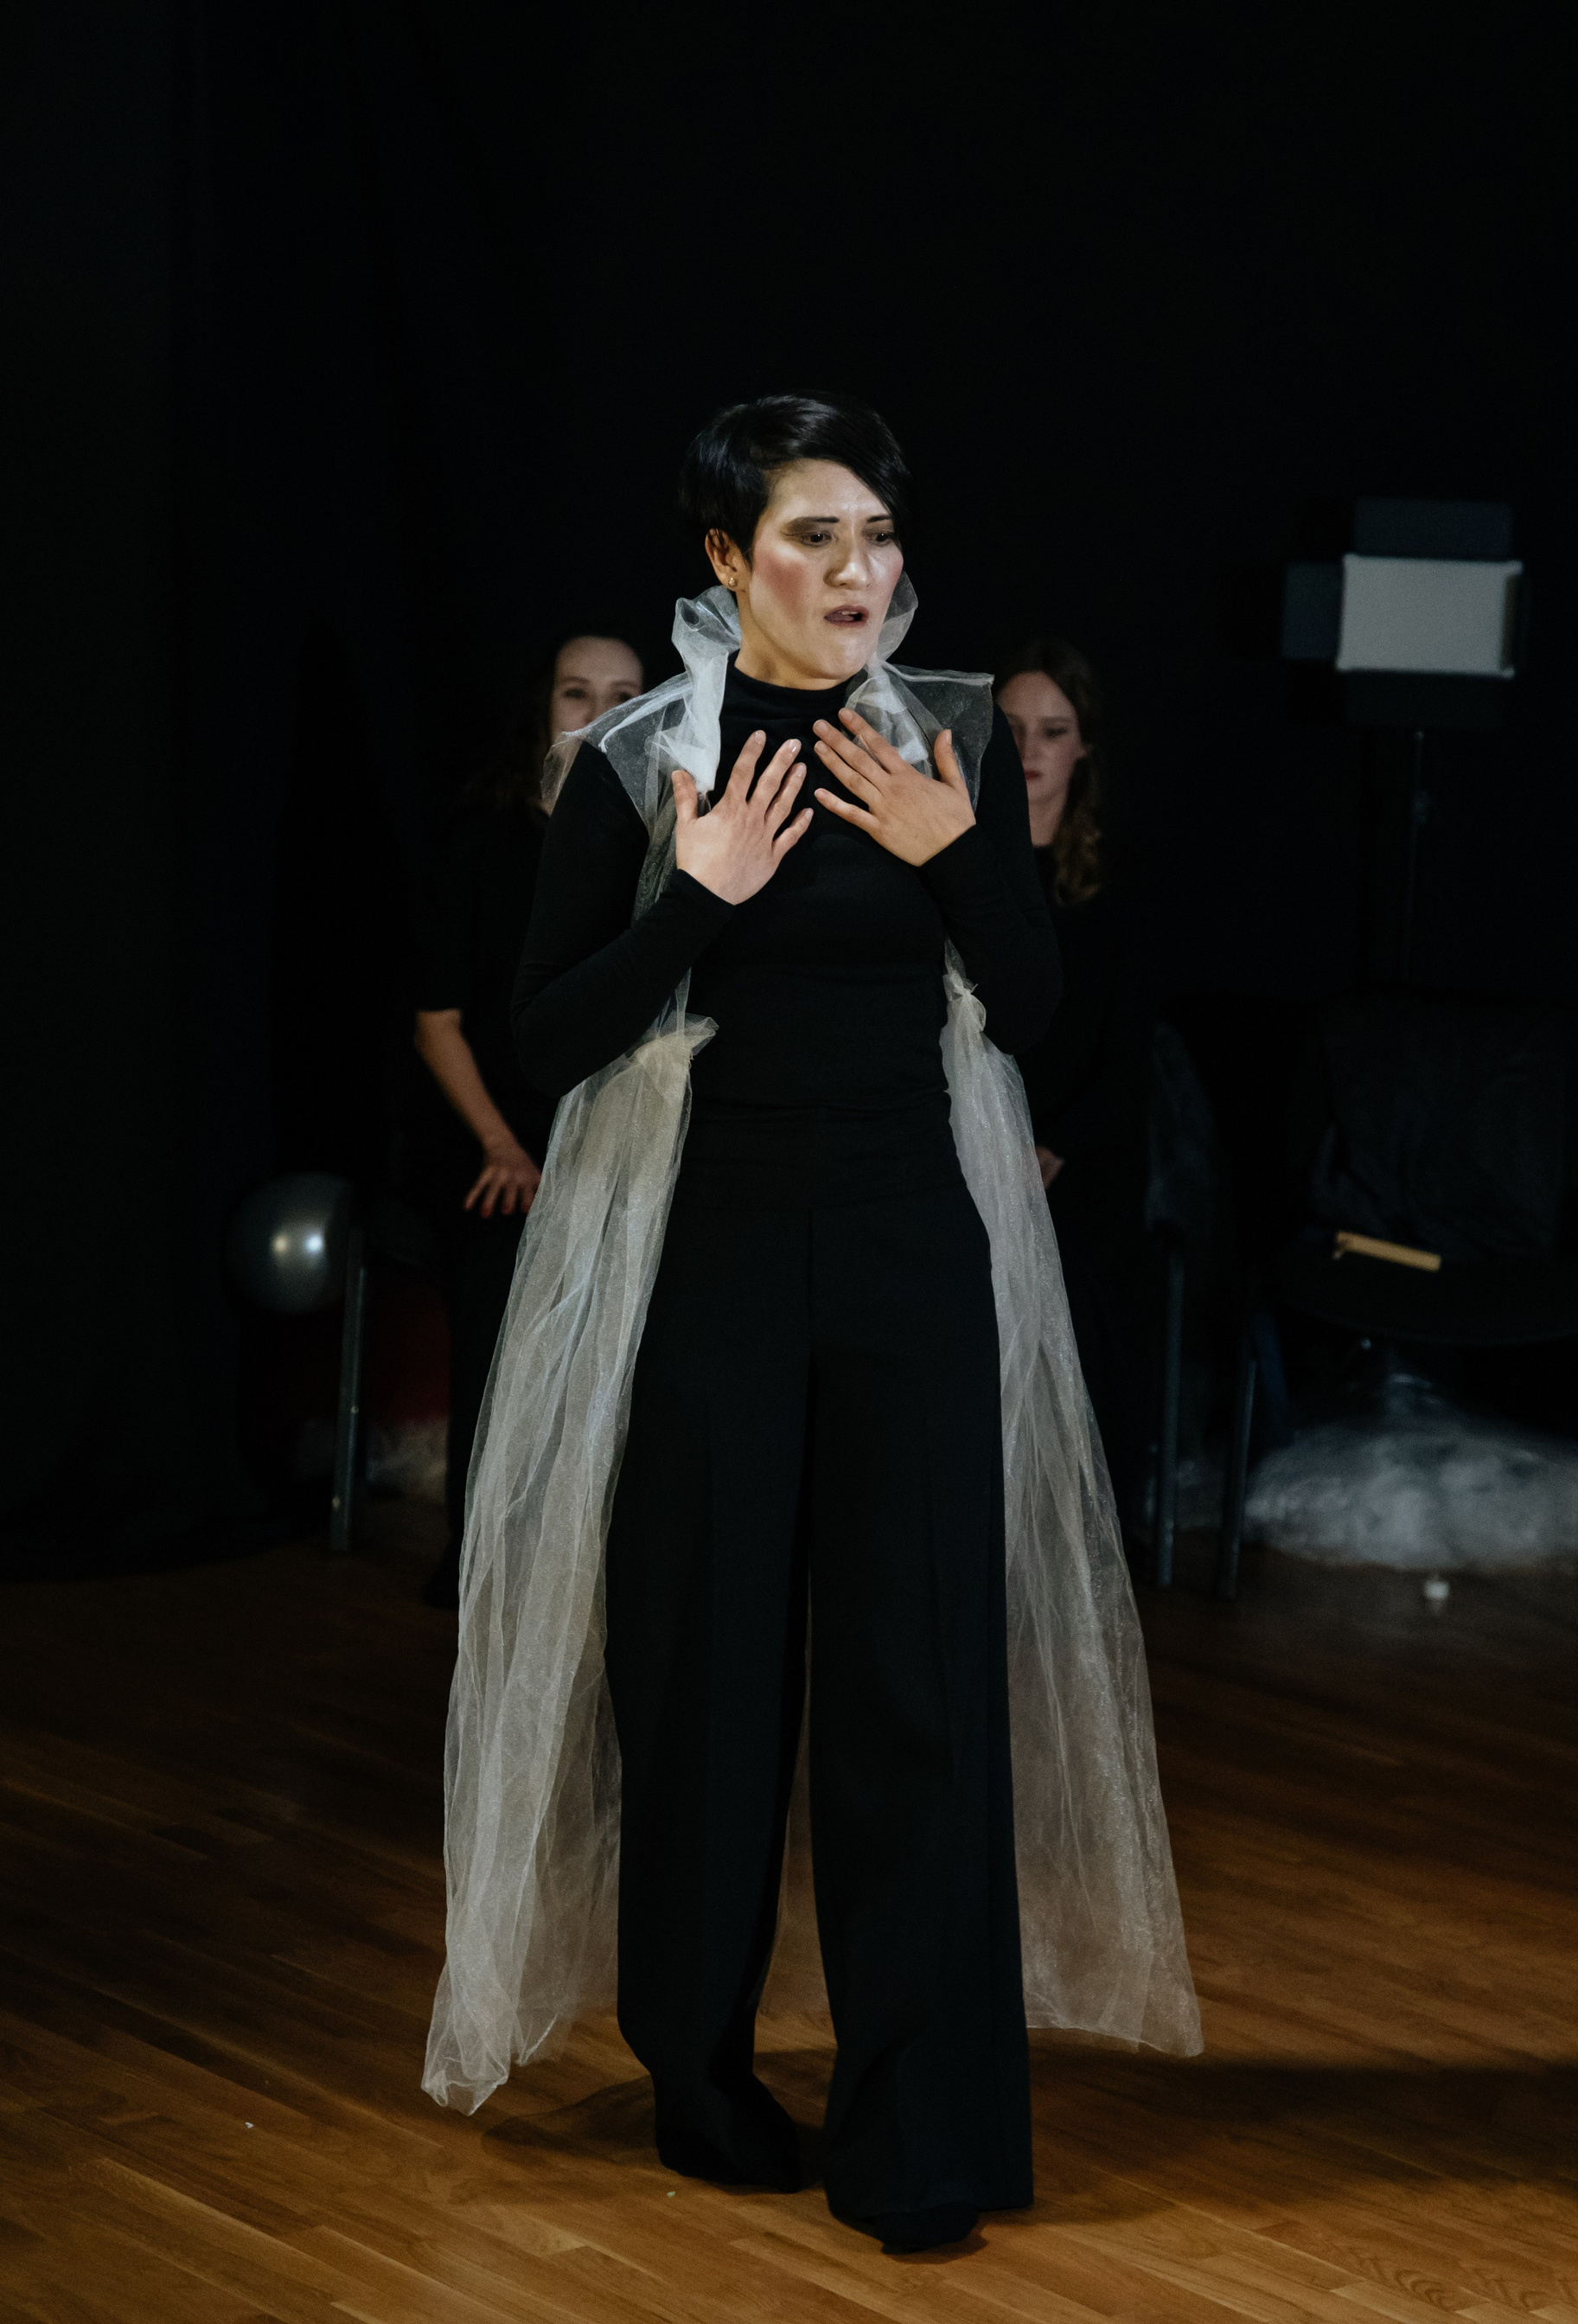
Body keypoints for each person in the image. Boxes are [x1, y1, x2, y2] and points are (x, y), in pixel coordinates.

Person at [423, 396, 1200, 2255]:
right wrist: (695, 903)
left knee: (914, 1676)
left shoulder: (939, 732)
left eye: (879, 533)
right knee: (706, 1676)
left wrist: (955, 847)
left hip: (909, 1246)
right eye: (814, 535)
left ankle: (919, 2120)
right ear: (726, 558)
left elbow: (1034, 1004)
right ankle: (701, 2083)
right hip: (713, 1251)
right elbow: (548, 1038)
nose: (861, 569)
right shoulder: (643, 760)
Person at [411, 632, 643, 1609]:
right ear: (543, 707)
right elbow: (436, 1021)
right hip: (499, 1139)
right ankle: (479, 1565)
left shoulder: (661, 832)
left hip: (619, 1139)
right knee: (500, 1345)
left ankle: (589, 1570)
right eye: (576, 693)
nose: (597, 715)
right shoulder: (482, 839)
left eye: (622, 695)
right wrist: (502, 1143)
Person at [997, 641, 1156, 1524]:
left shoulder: (1120, 882)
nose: (1031, 749)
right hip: (968, 1134)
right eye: (1014, 728)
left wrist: (1053, 1145)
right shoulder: (954, 860)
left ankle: (1085, 1530)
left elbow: (1129, 1053)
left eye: (1053, 731)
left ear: (1083, 746)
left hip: (1081, 1150)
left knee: (1079, 1290)